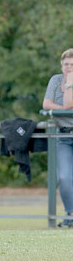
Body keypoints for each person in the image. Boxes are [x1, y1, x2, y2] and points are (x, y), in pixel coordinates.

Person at [43, 48, 73, 228]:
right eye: (66, 64)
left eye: (72, 65)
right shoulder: (55, 80)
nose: (69, 67)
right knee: (64, 176)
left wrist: (69, 83)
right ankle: (71, 215)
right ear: (61, 65)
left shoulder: (68, 80)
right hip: (62, 135)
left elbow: (67, 104)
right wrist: (66, 109)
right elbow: (46, 104)